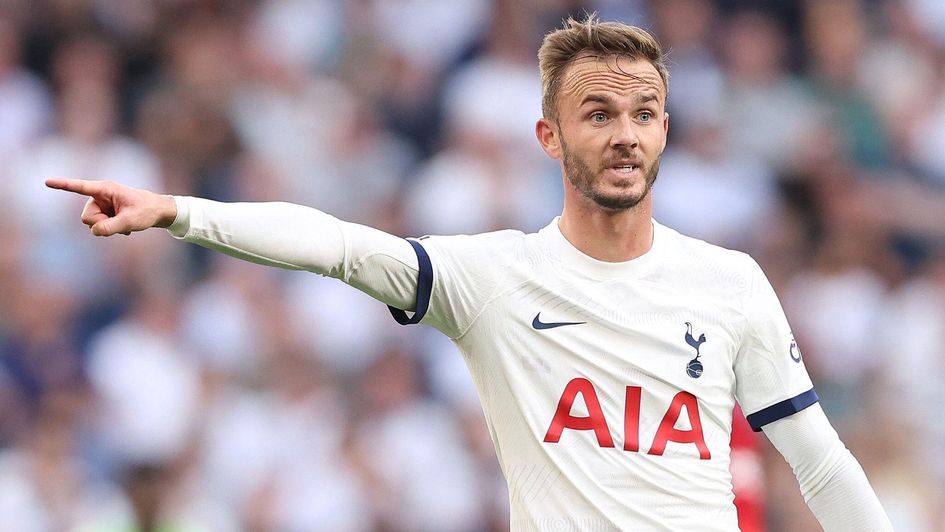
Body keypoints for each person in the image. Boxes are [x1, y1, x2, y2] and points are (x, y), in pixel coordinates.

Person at [47, 15, 892, 532]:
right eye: (597, 113)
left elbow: (817, 465)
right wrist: (180, 211)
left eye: (642, 114)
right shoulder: (493, 276)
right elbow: (338, 245)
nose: (625, 135)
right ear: (547, 137)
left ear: (666, 129)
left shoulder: (730, 281)